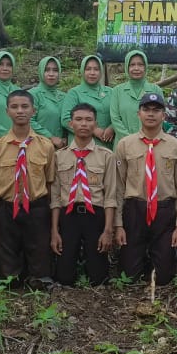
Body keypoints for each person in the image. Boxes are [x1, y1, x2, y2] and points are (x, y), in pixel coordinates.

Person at [114, 92, 177, 286]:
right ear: (138, 113)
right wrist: (118, 225)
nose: (151, 114)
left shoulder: (176, 146)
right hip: (135, 210)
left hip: (164, 211)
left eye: (156, 110)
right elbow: (118, 187)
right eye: (146, 109)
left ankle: (161, 256)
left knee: (163, 278)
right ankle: (139, 257)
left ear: (164, 115)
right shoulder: (124, 145)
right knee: (130, 277)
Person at [0, 90, 56, 287]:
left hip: (36, 207)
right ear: (7, 111)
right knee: (7, 271)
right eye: (14, 107)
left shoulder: (46, 146)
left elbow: (49, 182)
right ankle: (11, 277)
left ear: (33, 110)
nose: (20, 111)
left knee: (39, 257)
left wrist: (48, 213)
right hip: (7, 207)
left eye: (25, 107)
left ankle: (38, 276)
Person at [51, 102, 118, 286]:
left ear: (95, 124)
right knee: (64, 277)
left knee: (99, 277)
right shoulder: (59, 156)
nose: (83, 124)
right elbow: (55, 196)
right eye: (78, 119)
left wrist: (108, 230)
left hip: (95, 214)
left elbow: (110, 195)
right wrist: (54, 230)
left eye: (89, 120)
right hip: (68, 214)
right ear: (71, 124)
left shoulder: (106, 156)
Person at [61, 55, 114, 147]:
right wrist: (93, 129)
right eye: (88, 69)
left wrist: (112, 128)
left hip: (106, 144)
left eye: (96, 69)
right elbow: (66, 119)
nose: (92, 73)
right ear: (82, 71)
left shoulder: (110, 92)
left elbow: (118, 115)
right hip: (81, 145)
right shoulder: (74, 93)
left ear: (101, 71)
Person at [109, 50, 161, 140]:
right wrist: (130, 140)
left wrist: (146, 138)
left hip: (150, 142)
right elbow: (115, 119)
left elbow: (161, 117)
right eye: (132, 65)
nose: (136, 68)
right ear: (126, 67)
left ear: (145, 67)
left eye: (140, 65)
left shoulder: (156, 90)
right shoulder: (117, 91)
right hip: (123, 143)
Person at [30, 56, 67, 151]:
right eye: (47, 70)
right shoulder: (33, 95)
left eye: (55, 70)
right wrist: (50, 137)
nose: (51, 74)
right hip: (39, 147)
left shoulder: (64, 96)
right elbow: (29, 121)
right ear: (41, 71)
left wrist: (66, 137)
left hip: (61, 148)